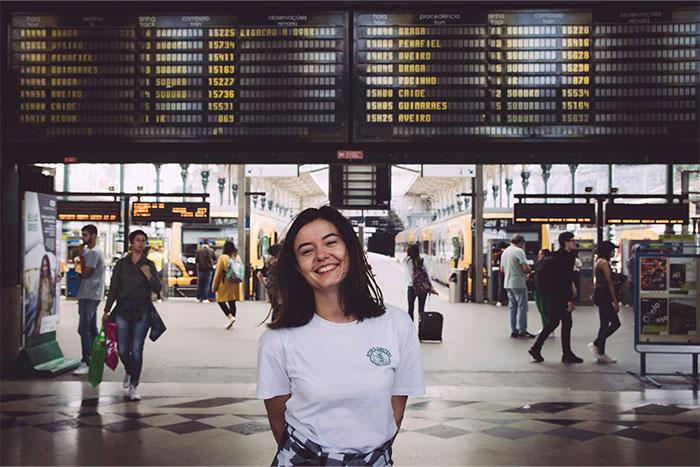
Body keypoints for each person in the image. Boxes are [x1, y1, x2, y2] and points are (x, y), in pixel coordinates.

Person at [257, 206, 424, 465]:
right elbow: (279, 422)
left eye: (331, 243)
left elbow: (394, 413)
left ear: (350, 248)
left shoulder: (397, 325)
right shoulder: (277, 340)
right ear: (297, 266)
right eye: (307, 250)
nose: (321, 255)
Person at [102, 230, 162, 401]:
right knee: (121, 348)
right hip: (122, 309)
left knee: (136, 349)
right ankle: (130, 370)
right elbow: (113, 288)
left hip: (142, 310)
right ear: (131, 243)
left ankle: (134, 384)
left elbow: (158, 288)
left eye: (143, 240)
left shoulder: (148, 264)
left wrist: (149, 276)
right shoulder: (121, 264)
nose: (141, 243)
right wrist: (106, 310)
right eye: (138, 240)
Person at [528, 232, 584, 364]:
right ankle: (565, 353)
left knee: (555, 322)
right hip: (562, 296)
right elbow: (565, 280)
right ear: (565, 242)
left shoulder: (554, 256)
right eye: (572, 241)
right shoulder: (567, 258)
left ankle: (538, 348)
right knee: (564, 323)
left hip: (553, 294)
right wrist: (569, 300)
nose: (574, 243)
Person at [73, 224, 105, 376]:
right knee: (92, 328)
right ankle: (96, 356)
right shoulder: (95, 251)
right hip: (92, 294)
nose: (83, 238)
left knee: (83, 328)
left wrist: (82, 257)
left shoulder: (92, 253)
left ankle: (86, 360)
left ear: (93, 235)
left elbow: (86, 273)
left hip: (89, 294)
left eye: (85, 235)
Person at [588, 241, 620, 364]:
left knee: (604, 324)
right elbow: (609, 282)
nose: (614, 252)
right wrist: (615, 301)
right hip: (604, 294)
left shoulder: (598, 261)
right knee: (616, 323)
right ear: (608, 250)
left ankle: (601, 353)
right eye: (613, 249)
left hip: (598, 293)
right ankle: (596, 344)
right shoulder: (604, 263)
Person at [500, 234, 534, 338]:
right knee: (523, 307)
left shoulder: (505, 252)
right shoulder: (519, 251)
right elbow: (525, 267)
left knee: (512, 307)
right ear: (521, 242)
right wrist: (530, 271)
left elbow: (502, 269)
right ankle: (522, 330)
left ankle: (514, 330)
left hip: (508, 283)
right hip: (518, 283)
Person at [403, 243, 438, 322]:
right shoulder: (422, 260)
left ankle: (411, 327)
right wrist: (432, 288)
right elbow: (428, 275)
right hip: (422, 287)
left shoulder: (406, 261)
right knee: (421, 310)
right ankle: (421, 327)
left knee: (410, 309)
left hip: (411, 287)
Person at [212, 240, 243, 329]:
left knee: (220, 300)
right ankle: (232, 320)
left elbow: (218, 273)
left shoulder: (223, 257)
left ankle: (230, 317)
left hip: (225, 283)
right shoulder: (237, 257)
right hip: (236, 283)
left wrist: (214, 286)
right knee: (232, 302)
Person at [527, 248, 552, 338]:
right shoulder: (540, 264)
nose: (538, 256)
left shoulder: (547, 264)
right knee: (541, 309)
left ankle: (549, 329)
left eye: (540, 254)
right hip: (538, 289)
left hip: (544, 290)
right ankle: (545, 327)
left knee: (545, 309)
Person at [33, 254, 55, 336]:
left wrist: (50, 287)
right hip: (41, 313)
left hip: (48, 313)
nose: (44, 269)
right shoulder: (39, 281)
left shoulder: (50, 279)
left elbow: (52, 298)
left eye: (46, 266)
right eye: (43, 266)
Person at [195, 239, 215, 303]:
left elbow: (196, 260)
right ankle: (205, 298)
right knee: (207, 284)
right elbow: (215, 258)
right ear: (208, 243)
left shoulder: (199, 250)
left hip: (201, 269)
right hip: (209, 269)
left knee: (200, 284)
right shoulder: (211, 251)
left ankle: (198, 298)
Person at [492, 241, 508, 306]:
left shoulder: (499, 253)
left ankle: (500, 300)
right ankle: (507, 300)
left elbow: (493, 261)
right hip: (509, 271)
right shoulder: (508, 253)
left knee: (501, 286)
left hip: (501, 271)